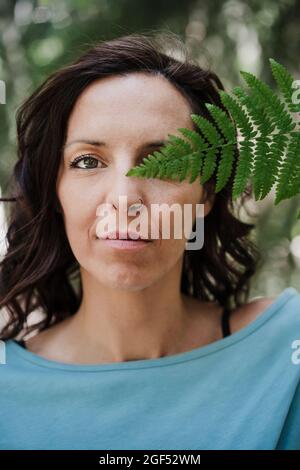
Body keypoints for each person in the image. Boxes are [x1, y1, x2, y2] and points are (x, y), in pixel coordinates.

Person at [0, 32, 299, 450]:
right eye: (88, 161)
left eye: (163, 162)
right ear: (56, 192)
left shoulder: (288, 349)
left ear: (206, 194)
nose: (124, 200)